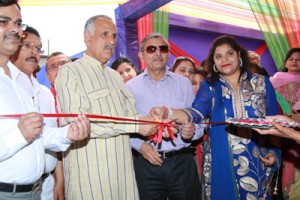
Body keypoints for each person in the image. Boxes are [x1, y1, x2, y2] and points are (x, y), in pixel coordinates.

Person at [150, 35, 281, 200]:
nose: (224, 59)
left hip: (256, 162)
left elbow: (275, 123)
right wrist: (168, 112)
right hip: (220, 163)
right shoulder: (210, 86)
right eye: (218, 56)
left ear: (239, 56)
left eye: (229, 54)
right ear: (214, 62)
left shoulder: (262, 83)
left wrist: (274, 153)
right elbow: (195, 113)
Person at [55, 15, 158, 199]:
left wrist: (152, 120)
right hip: (91, 180)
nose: (111, 41)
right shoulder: (70, 72)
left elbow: (130, 116)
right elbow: (79, 124)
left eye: (114, 36)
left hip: (123, 176)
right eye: (105, 34)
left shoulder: (115, 76)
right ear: (87, 37)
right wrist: (136, 125)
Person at [0, 1, 90, 200]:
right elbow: (23, 133)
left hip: (35, 191)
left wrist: (67, 133)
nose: (14, 30)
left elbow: (37, 136)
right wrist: (19, 134)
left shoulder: (17, 81)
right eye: (4, 22)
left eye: (17, 23)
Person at [126, 32, 203, 200]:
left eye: (163, 48)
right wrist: (141, 146)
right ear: (142, 54)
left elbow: (198, 121)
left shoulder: (183, 83)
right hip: (147, 164)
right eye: (152, 49)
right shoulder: (129, 88)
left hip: (182, 161)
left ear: (168, 54)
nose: (158, 53)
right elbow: (125, 127)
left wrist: (191, 132)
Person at [10, 26, 67, 200]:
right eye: (27, 45)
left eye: (38, 48)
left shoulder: (45, 93)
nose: (34, 52)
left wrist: (59, 181)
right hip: (14, 190)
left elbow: (50, 138)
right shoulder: (6, 87)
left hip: (47, 184)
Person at [269, 48, 300, 200]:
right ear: (286, 61)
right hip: (276, 128)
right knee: (275, 162)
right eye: (291, 58)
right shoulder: (273, 81)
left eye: (298, 59)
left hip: (297, 132)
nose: (294, 61)